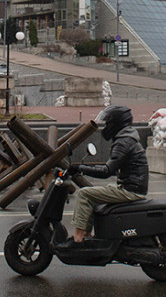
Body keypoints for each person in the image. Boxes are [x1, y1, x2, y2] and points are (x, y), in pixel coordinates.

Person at [63, 105, 149, 246]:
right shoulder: (128, 138)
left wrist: (79, 168)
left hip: (130, 191)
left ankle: (77, 238)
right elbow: (112, 167)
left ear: (116, 123)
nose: (106, 126)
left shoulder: (123, 142)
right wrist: (85, 168)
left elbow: (106, 172)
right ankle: (86, 234)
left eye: (108, 123)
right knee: (95, 194)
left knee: (85, 194)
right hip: (133, 187)